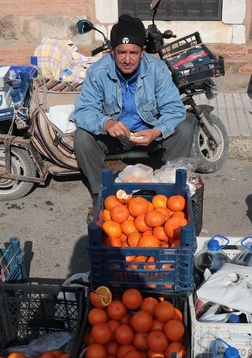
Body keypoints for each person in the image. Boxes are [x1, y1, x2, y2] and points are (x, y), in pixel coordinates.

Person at [71, 14, 194, 221]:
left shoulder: (157, 69)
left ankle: (171, 190)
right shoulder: (98, 72)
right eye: (121, 52)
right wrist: (106, 122)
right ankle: (100, 195)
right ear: (112, 52)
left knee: (185, 128)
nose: (127, 59)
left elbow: (174, 109)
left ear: (142, 51)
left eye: (133, 53)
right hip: (116, 138)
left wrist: (157, 130)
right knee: (82, 137)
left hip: (150, 134)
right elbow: (82, 111)